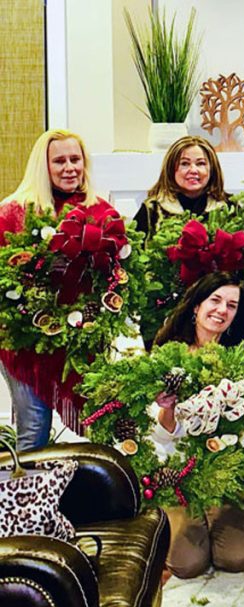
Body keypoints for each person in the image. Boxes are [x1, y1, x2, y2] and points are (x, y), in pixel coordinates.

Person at [0, 129, 116, 450]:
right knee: (34, 426)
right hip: (25, 344)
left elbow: (118, 274)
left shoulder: (102, 212)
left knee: (102, 423)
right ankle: (28, 499)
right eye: (59, 161)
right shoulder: (14, 213)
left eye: (75, 159)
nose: (69, 168)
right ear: (44, 166)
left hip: (82, 340)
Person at [151, 272, 244, 578]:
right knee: (187, 564)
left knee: (237, 558)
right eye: (215, 300)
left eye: (231, 305)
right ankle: (174, 516)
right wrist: (167, 410)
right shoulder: (167, 355)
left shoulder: (240, 359)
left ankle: (224, 516)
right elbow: (159, 435)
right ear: (197, 306)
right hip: (179, 472)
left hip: (225, 473)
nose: (222, 310)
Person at [133, 136, 231, 244]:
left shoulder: (229, 207)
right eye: (184, 163)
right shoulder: (151, 209)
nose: (193, 170)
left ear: (212, 169)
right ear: (171, 169)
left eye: (200, 163)